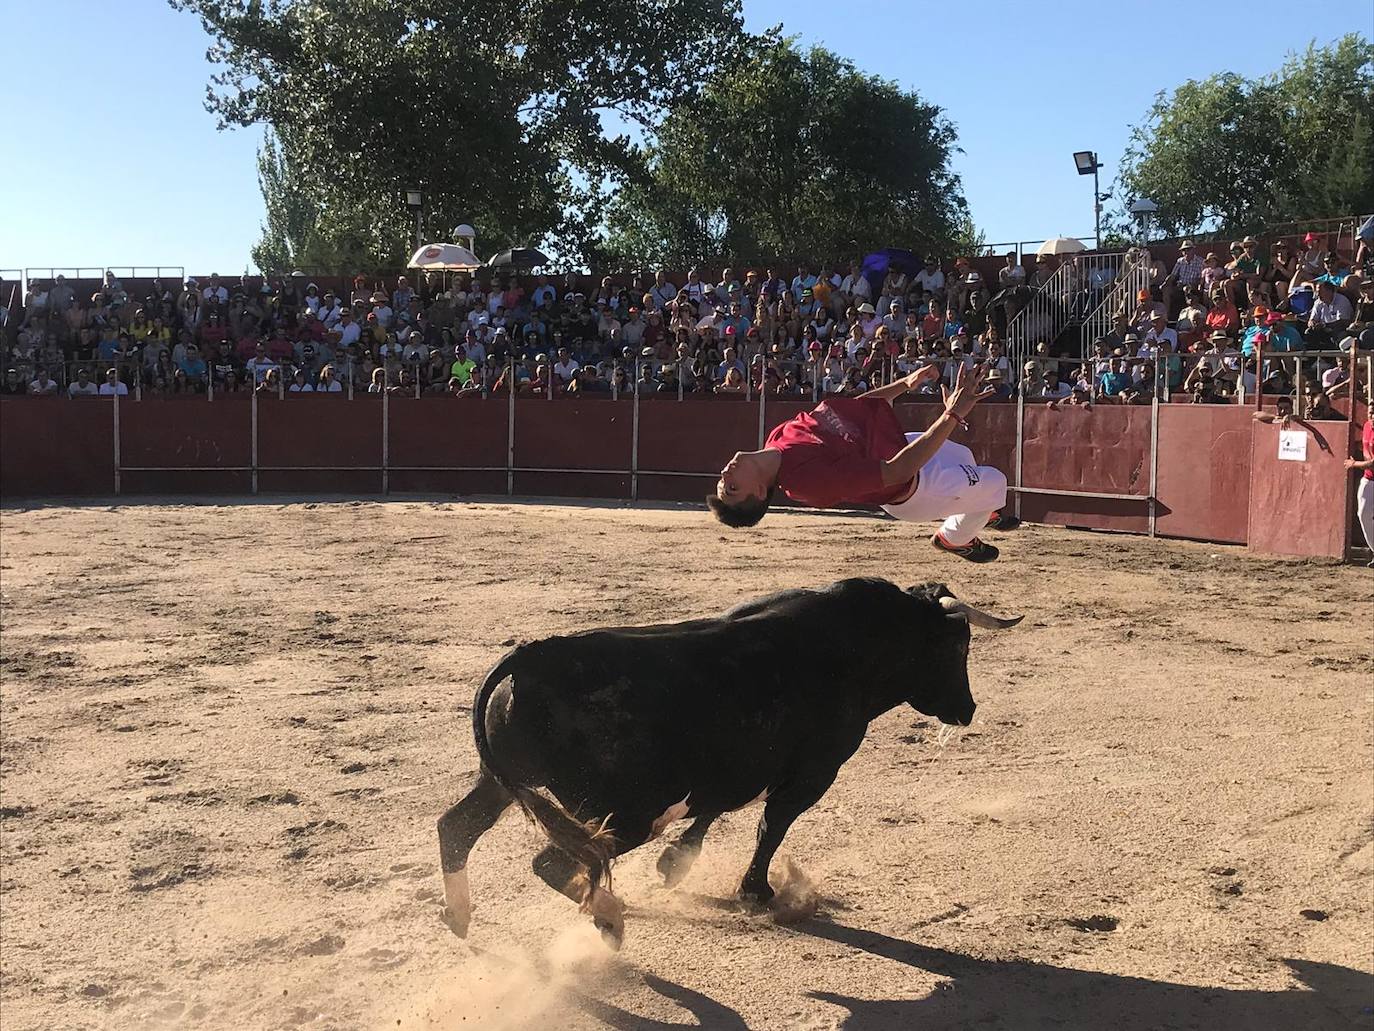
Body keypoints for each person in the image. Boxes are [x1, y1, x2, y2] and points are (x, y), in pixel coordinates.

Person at [708, 362, 1018, 562]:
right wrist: (951, 414)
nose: (725, 474)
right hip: (916, 488)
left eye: (721, 483)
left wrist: (906, 383)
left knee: (968, 461)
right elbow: (898, 471)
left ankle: (979, 512)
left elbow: (853, 409)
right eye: (732, 488)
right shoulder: (806, 482)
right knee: (994, 482)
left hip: (902, 446)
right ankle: (955, 538)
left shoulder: (777, 437)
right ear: (760, 492)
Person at [1348, 398, 1374, 568]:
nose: (1372, 415)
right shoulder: (1366, 426)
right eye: (1370, 412)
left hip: (1368, 472)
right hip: (1369, 478)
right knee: (1363, 514)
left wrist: (1354, 464)